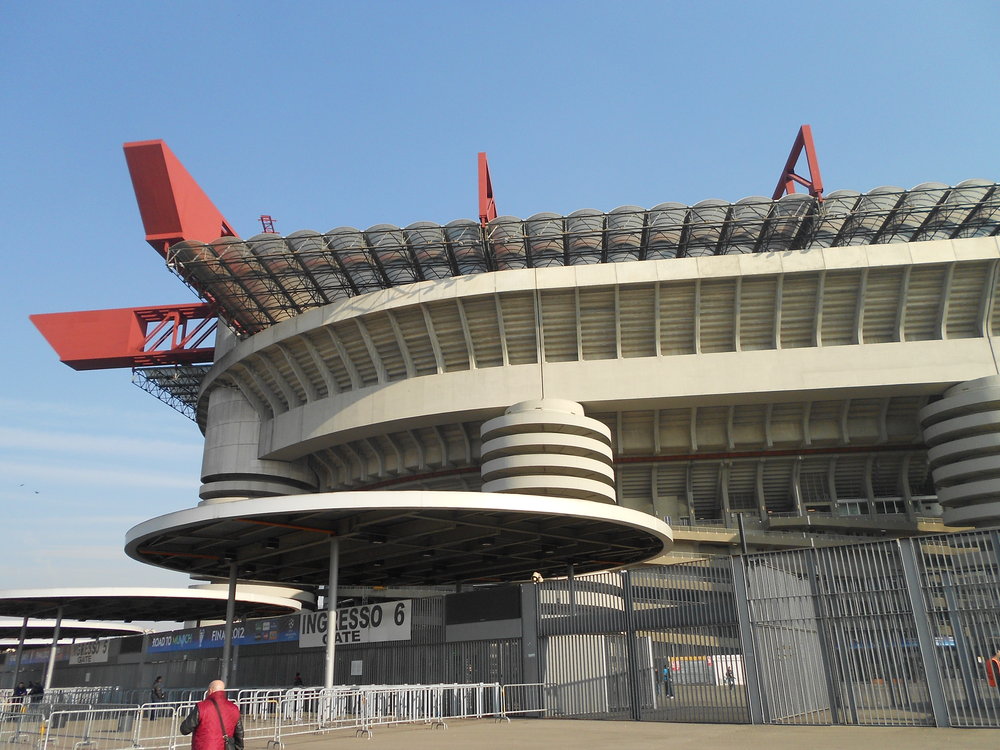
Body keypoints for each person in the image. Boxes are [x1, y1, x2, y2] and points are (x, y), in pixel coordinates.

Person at [180, 680, 244, 750]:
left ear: (210, 690)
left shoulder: (202, 707)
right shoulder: (234, 708)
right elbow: (239, 733)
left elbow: (185, 729)